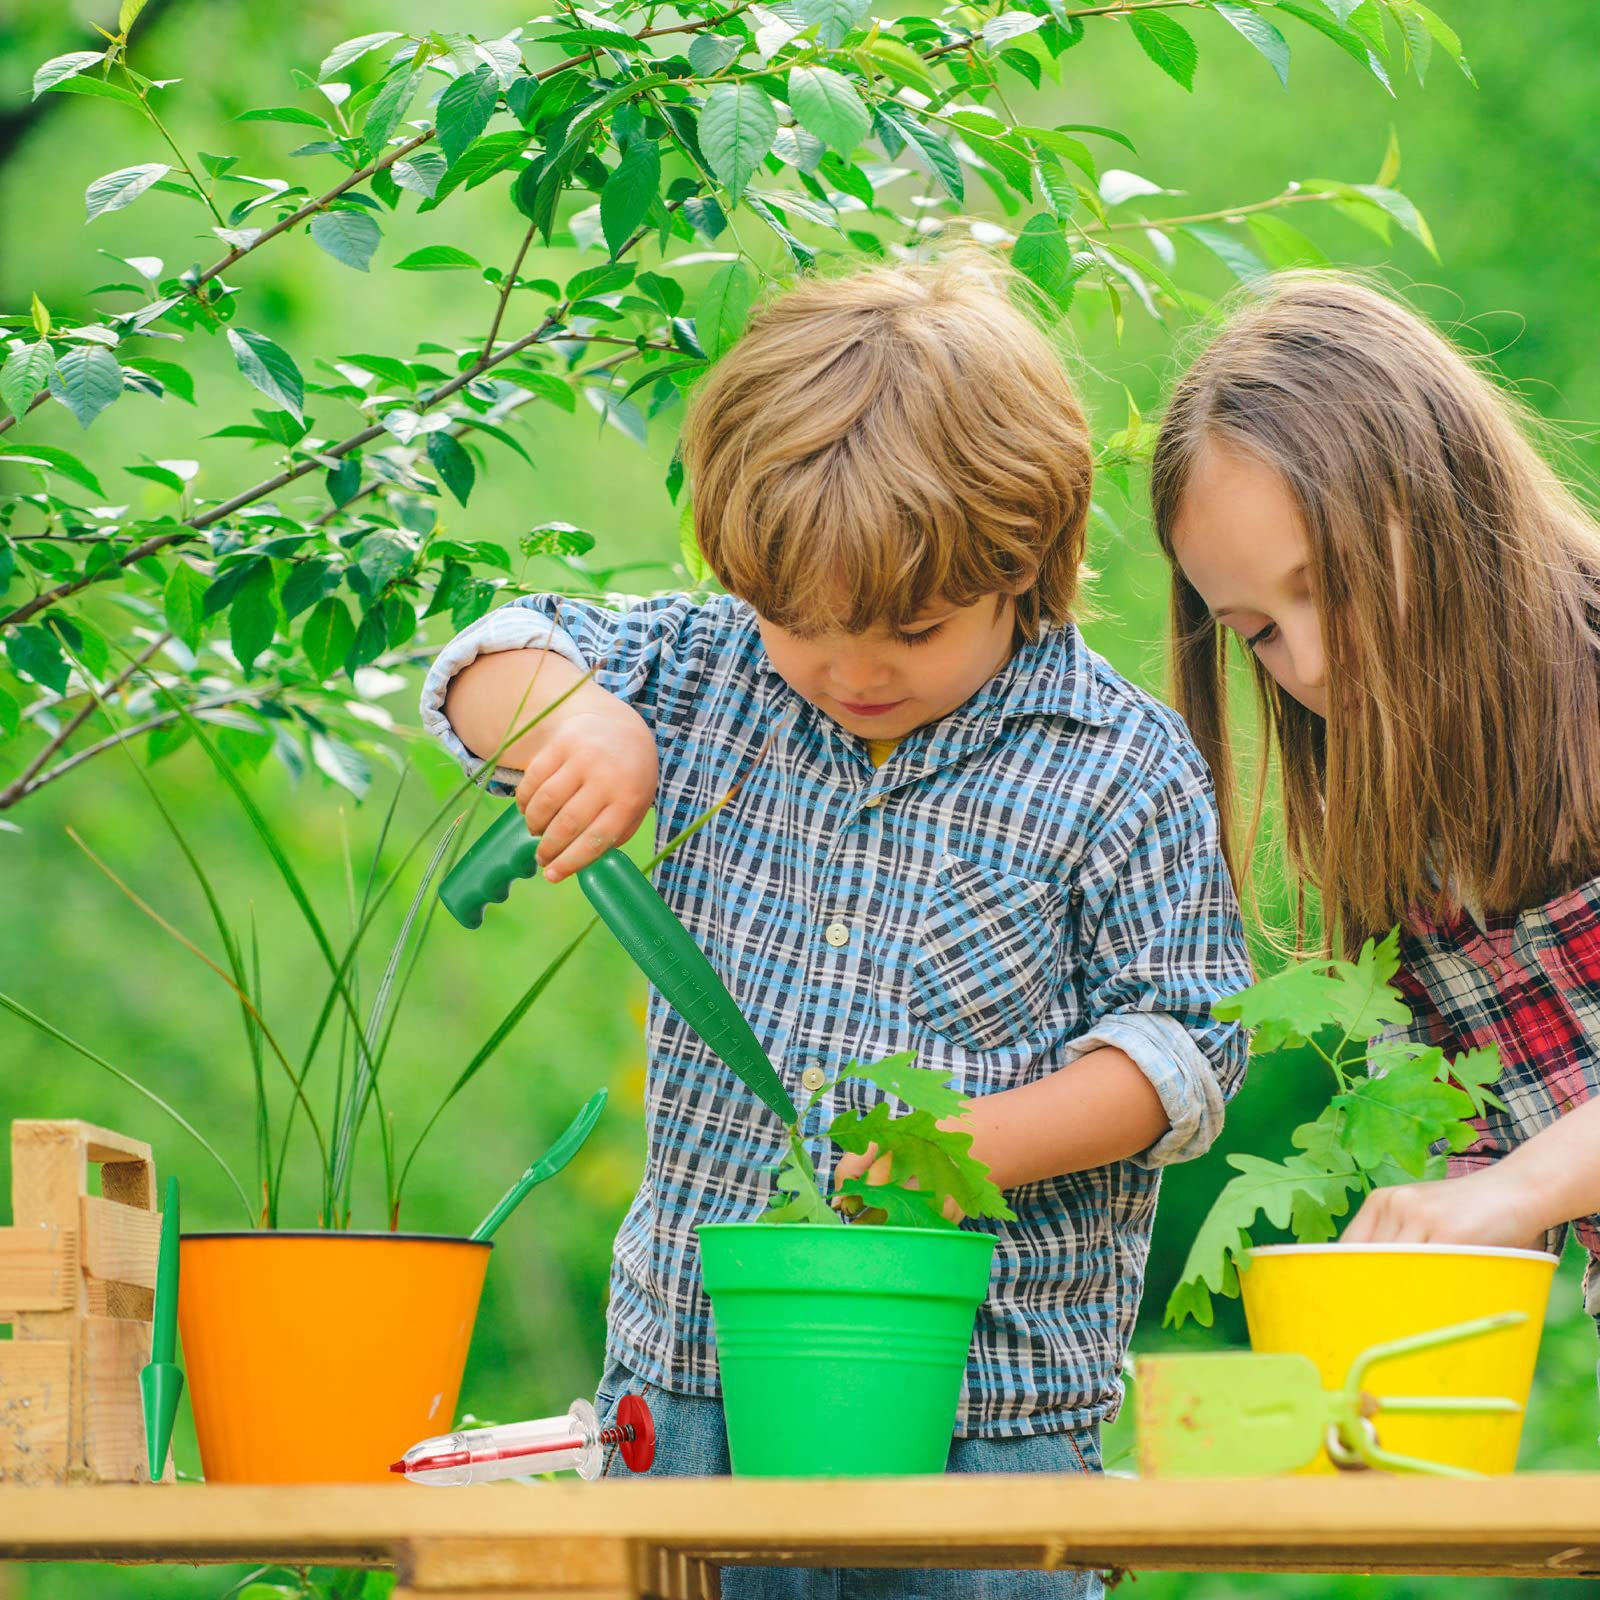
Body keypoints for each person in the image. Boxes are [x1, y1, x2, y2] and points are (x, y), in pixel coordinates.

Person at [422, 255, 1249, 1599]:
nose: (850, 671)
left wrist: (973, 1148)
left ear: (1026, 562)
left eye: (911, 632)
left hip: (987, 1421)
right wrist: (575, 718)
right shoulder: (700, 676)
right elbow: (484, 653)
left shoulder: (1119, 766)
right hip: (694, 1395)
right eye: (798, 625)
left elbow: (1195, 1049)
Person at [1153, 270, 1600, 1319]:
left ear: (1440, 491)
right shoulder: (1405, 833)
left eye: (1326, 584)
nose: (1306, 663)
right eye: (1256, 631)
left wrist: (1516, 1188)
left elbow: (1514, 1184)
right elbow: (1475, 1167)